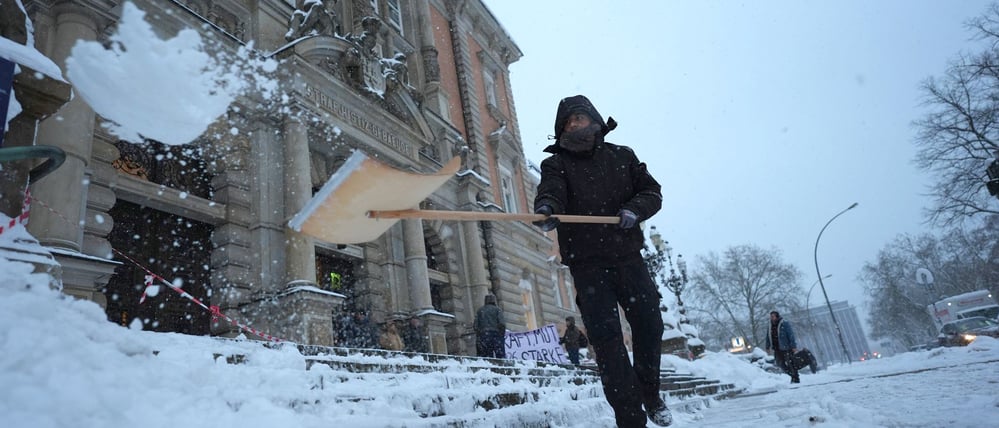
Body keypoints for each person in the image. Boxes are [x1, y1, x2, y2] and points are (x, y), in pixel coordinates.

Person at [533, 95, 670, 427]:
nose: (574, 126)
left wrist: (634, 210)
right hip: (587, 265)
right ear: (560, 130)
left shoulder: (622, 156)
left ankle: (649, 393)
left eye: (579, 119)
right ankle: (629, 417)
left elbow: (652, 192)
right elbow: (552, 191)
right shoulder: (557, 164)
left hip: (627, 257)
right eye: (568, 123)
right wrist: (548, 209)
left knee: (650, 324)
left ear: (593, 120)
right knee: (607, 342)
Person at [765, 310, 800, 383]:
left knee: (790, 363)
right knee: (779, 363)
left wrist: (793, 346)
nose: (771, 318)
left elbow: (791, 335)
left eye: (773, 316)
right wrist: (767, 346)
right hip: (776, 348)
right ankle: (793, 376)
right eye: (771, 316)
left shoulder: (784, 323)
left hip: (786, 347)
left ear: (777, 316)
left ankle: (796, 378)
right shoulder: (770, 325)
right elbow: (768, 336)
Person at [473, 294, 506, 358]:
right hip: (496, 335)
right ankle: (500, 367)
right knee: (500, 357)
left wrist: (480, 333)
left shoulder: (480, 310)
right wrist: (502, 334)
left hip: (483, 336)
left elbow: (475, 326)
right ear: (494, 301)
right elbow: (502, 324)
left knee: (485, 357)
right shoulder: (497, 310)